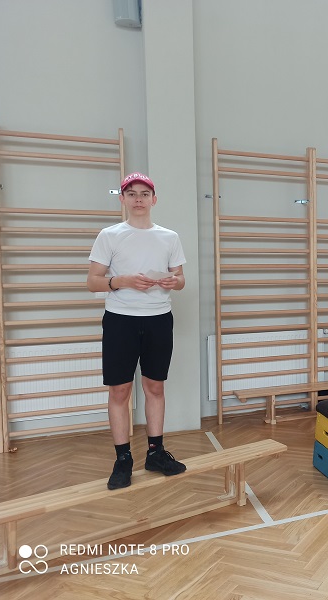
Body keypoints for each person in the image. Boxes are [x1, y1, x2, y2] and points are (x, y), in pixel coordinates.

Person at [87, 172, 187, 489]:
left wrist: (173, 281)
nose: (139, 199)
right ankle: (123, 459)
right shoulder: (109, 235)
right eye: (132, 194)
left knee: (155, 386)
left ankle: (156, 452)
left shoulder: (169, 237)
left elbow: (181, 280)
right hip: (120, 320)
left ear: (154, 199)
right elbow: (92, 282)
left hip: (159, 319)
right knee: (120, 391)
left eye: (144, 193)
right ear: (123, 199)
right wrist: (122, 281)